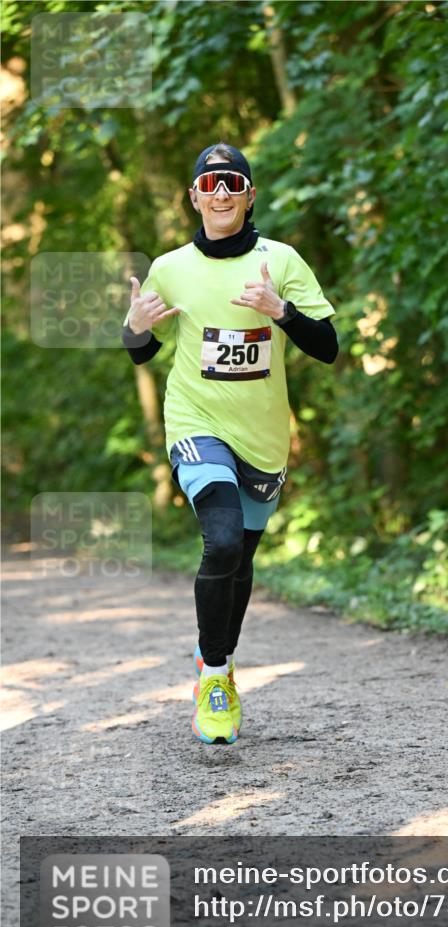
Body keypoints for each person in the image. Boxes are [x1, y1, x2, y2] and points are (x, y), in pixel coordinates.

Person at [122, 142, 337, 745]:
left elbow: (328, 346)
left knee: (240, 558)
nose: (220, 192)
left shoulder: (282, 261)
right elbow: (141, 348)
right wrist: (135, 327)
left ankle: (218, 657)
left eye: (232, 182)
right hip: (196, 422)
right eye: (209, 182)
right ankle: (215, 679)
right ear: (193, 196)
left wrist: (282, 311)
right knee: (218, 542)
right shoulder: (170, 267)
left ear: (248, 195)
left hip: (264, 436)